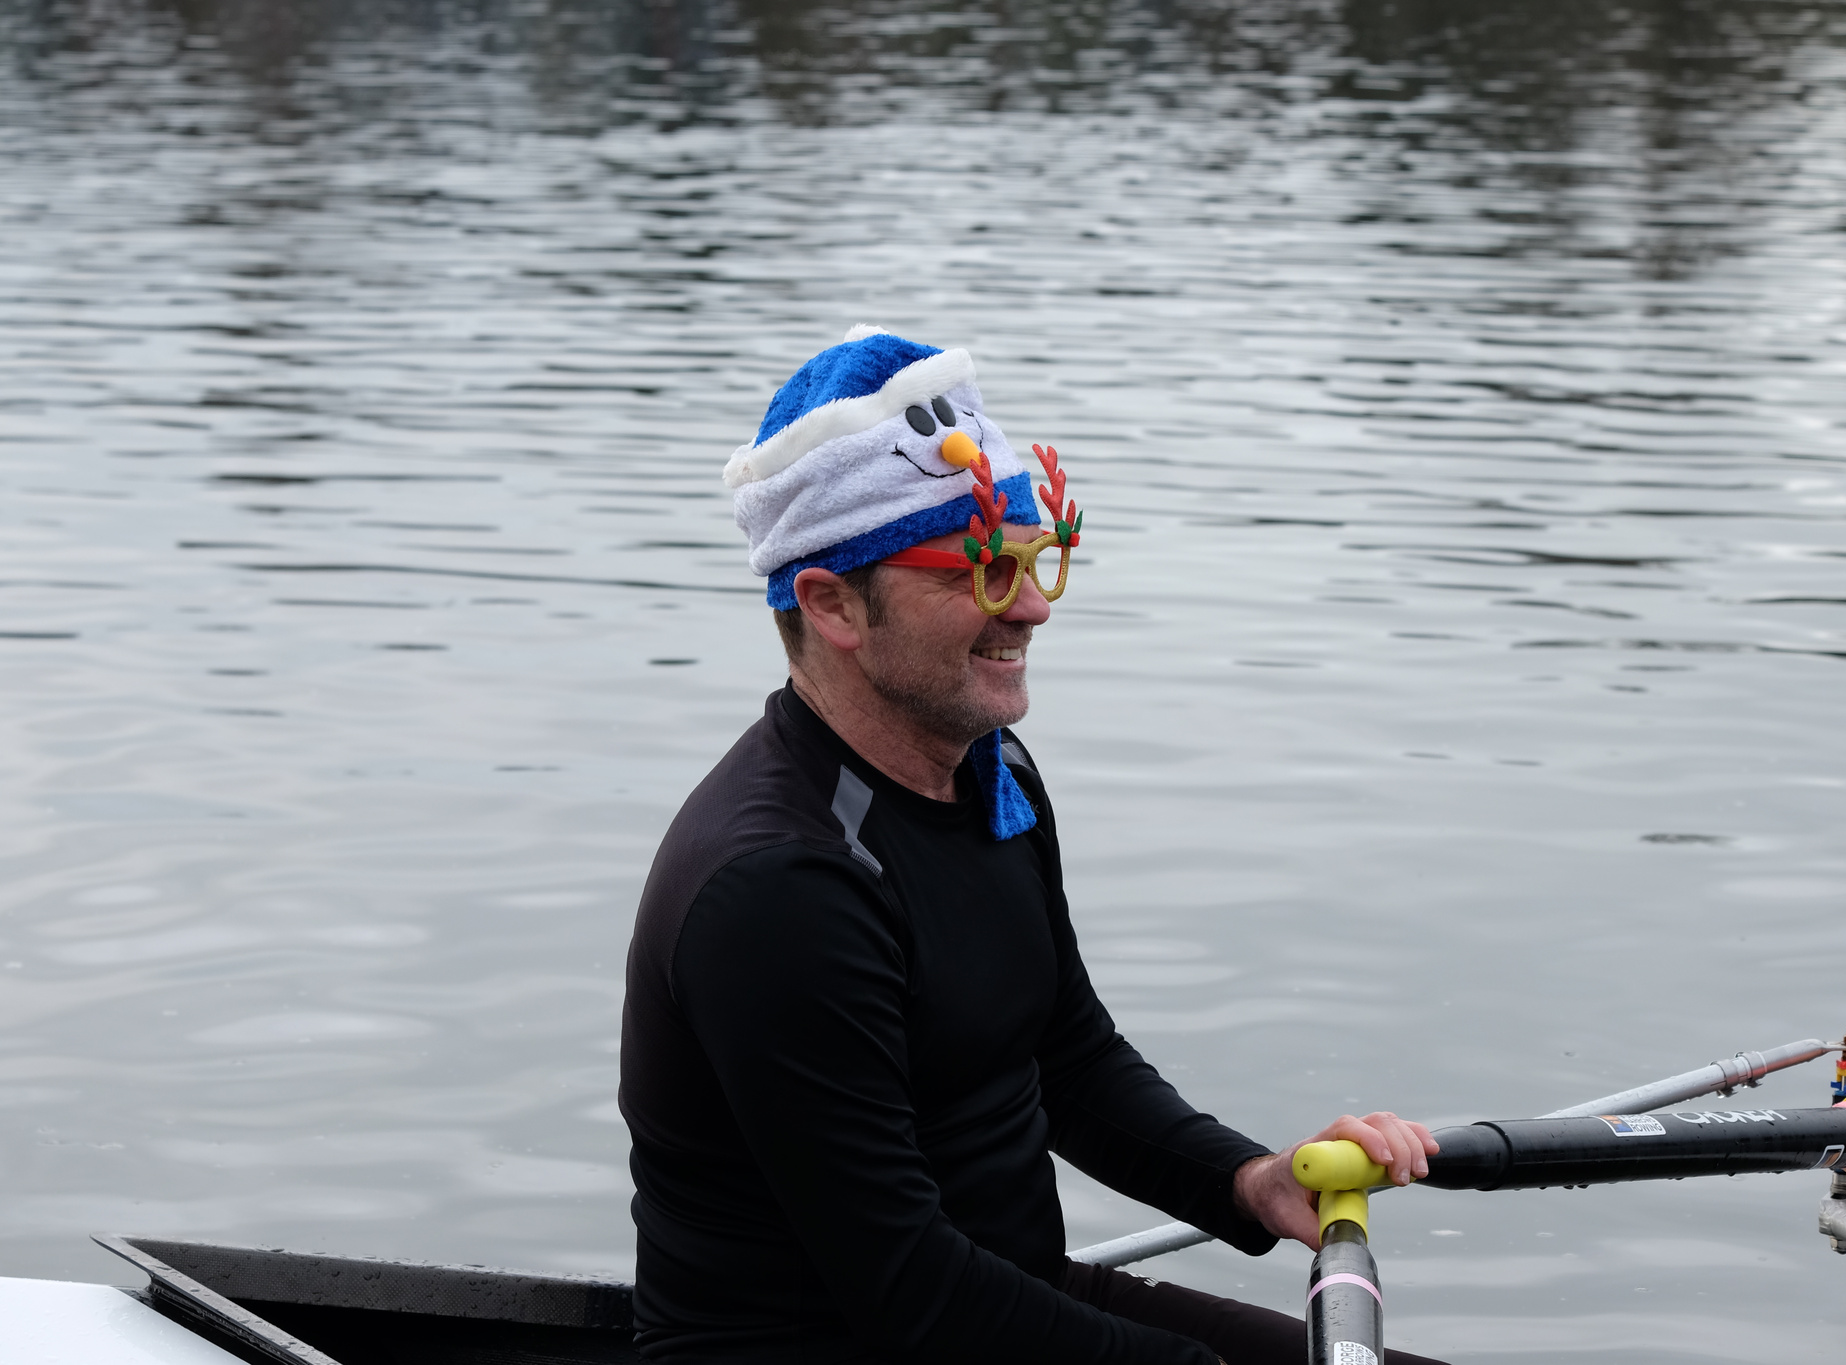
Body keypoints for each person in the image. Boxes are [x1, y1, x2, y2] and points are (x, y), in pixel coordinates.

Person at [619, 328, 1446, 1365]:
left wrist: (1247, 1182)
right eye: (978, 569)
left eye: (1032, 556)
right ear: (831, 602)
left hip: (996, 1300)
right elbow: (908, 1292)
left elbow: (1064, 1056)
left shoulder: (989, 769)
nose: (1034, 605)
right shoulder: (781, 888)